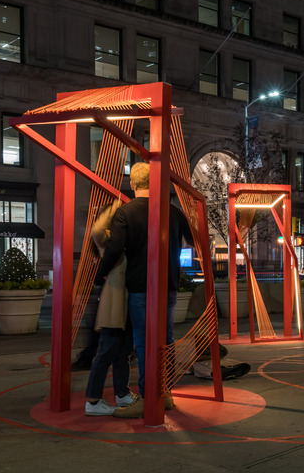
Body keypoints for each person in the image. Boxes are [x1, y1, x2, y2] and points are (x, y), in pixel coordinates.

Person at [94, 162, 193, 418]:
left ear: (132, 183)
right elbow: (194, 239)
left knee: (143, 342)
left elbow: (114, 249)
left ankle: (149, 397)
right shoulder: (173, 212)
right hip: (169, 285)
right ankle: (166, 392)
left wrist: (100, 272)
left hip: (140, 287)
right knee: (166, 339)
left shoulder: (126, 213)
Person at [84, 201, 137, 416]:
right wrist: (115, 205)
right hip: (115, 304)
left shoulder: (121, 240)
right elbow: (96, 229)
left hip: (124, 304)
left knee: (122, 353)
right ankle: (93, 401)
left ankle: (121, 392)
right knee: (106, 352)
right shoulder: (108, 239)